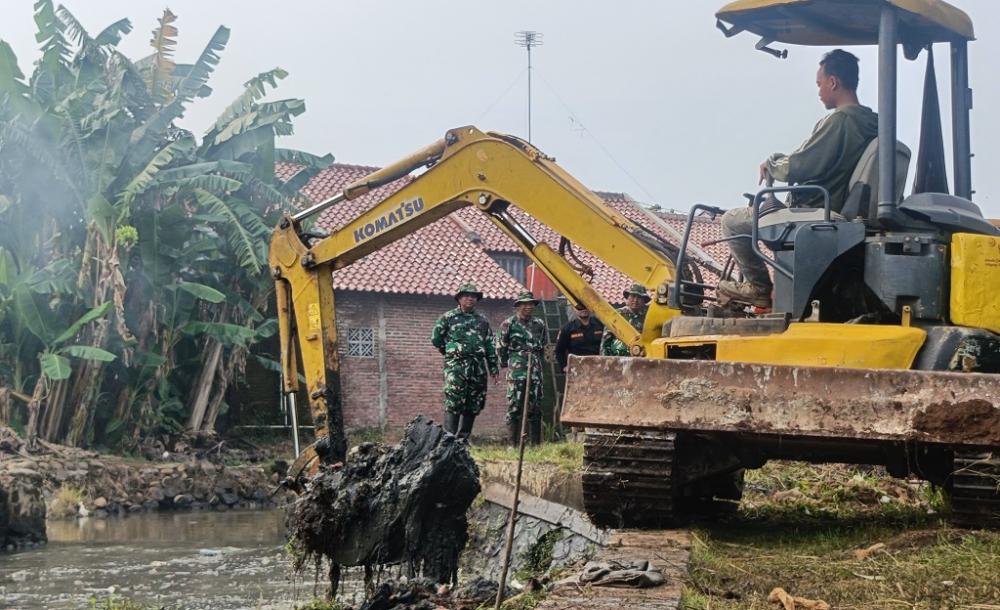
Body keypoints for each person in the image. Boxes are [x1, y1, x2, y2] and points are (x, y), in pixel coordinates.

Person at [718, 49, 879, 309]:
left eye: (819, 84)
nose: (818, 91)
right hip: (842, 208)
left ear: (833, 82)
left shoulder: (840, 121)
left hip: (820, 209)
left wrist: (772, 164)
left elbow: (800, 166)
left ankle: (758, 288)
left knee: (732, 221)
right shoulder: (872, 122)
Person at [431, 283, 500, 439]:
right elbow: (436, 339)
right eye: (467, 295)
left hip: (477, 368)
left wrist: (494, 369)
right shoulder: (448, 318)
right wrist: (450, 352)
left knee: (473, 402)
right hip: (456, 368)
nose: (470, 298)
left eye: (473, 296)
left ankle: (463, 439)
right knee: (454, 400)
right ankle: (449, 439)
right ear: (459, 298)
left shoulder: (482, 321)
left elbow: (489, 345)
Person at [496, 291, 547, 446]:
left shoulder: (539, 324)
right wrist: (508, 364)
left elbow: (543, 346)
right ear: (517, 306)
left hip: (535, 371)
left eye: (531, 304)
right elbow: (501, 348)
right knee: (515, 406)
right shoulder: (508, 324)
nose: (528, 307)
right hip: (517, 371)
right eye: (524, 304)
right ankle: (513, 444)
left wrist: (537, 362)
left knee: (535, 407)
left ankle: (535, 445)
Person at [600, 284, 649, 357]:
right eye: (633, 296)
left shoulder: (648, 317)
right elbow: (606, 341)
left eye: (639, 297)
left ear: (644, 300)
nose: (635, 300)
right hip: (617, 359)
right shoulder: (617, 315)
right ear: (628, 298)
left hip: (641, 358)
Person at [555, 303, 605, 372]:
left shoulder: (600, 325)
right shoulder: (567, 328)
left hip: (598, 368)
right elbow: (559, 350)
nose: (583, 310)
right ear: (574, 308)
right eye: (579, 307)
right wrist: (564, 367)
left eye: (585, 306)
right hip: (577, 370)